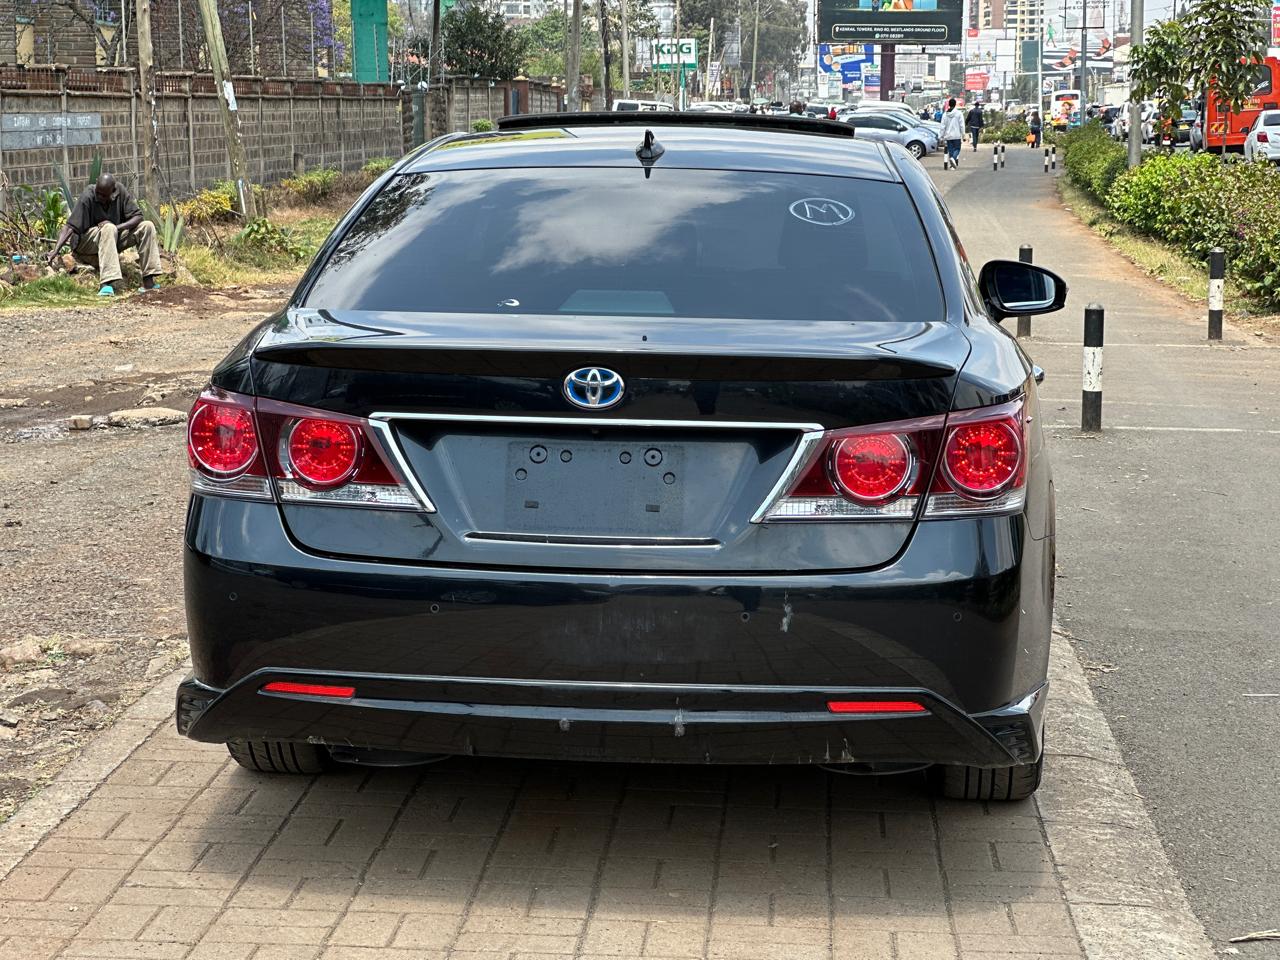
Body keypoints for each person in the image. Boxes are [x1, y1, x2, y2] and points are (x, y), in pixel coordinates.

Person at [48, 174, 161, 297]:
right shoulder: (88, 196)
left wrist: (118, 228)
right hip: (85, 244)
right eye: (98, 193)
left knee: (147, 226)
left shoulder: (120, 192)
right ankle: (106, 283)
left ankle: (148, 281)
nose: (100, 197)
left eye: (104, 195)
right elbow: (70, 226)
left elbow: (138, 216)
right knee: (108, 228)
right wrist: (55, 250)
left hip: (112, 236)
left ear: (113, 192)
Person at [941, 98, 965, 169]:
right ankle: (953, 159)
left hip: (948, 136)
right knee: (957, 148)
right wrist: (963, 134)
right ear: (955, 104)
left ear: (949, 104)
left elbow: (942, 126)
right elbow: (962, 125)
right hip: (957, 135)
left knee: (950, 150)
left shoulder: (945, 114)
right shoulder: (959, 113)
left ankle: (952, 166)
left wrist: (941, 136)